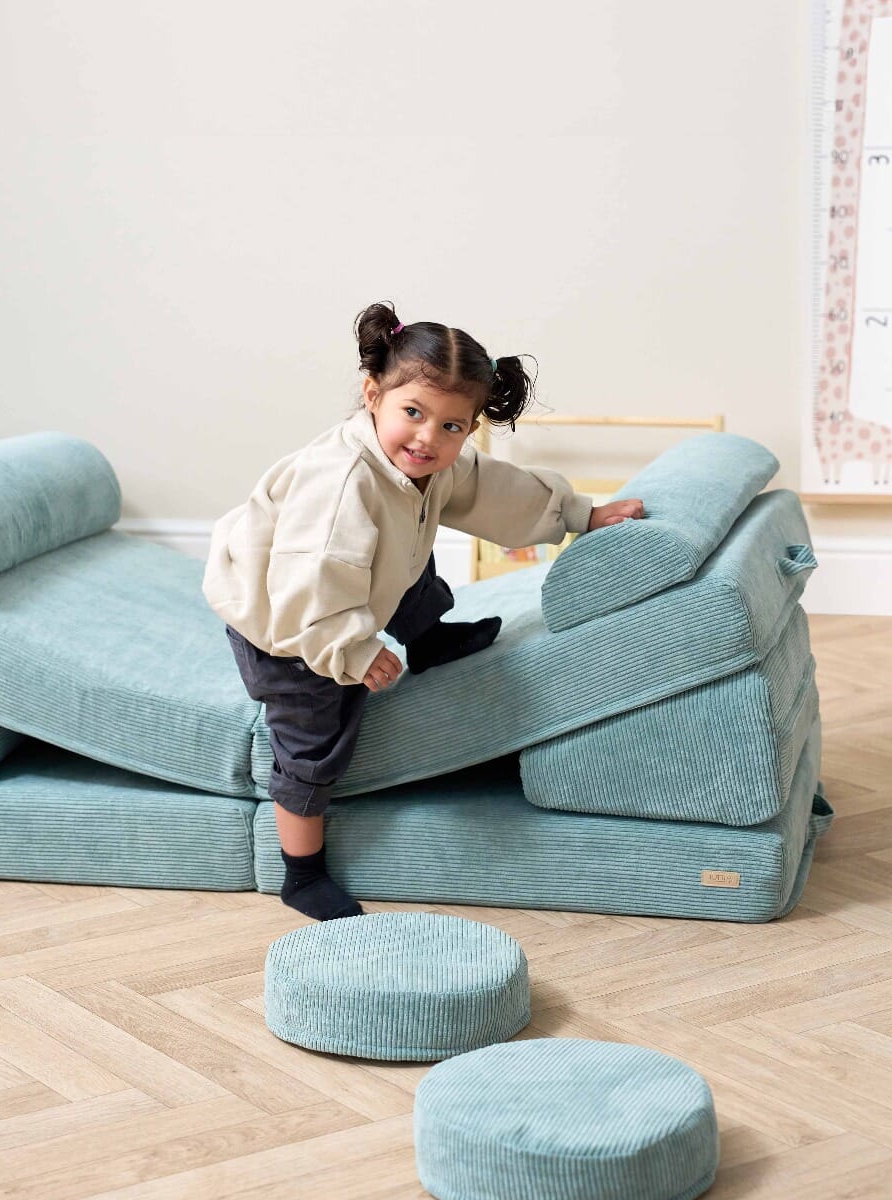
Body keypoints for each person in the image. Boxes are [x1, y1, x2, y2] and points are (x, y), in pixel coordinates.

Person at [201, 302, 645, 922]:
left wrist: (581, 514)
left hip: (345, 583)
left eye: (452, 427)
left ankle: (427, 636)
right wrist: (354, 651)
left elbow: (489, 488)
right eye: (413, 413)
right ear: (372, 394)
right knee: (312, 734)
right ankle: (300, 875)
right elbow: (312, 587)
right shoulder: (341, 485)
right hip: (288, 624)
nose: (429, 439)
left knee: (412, 550)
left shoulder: (423, 466)